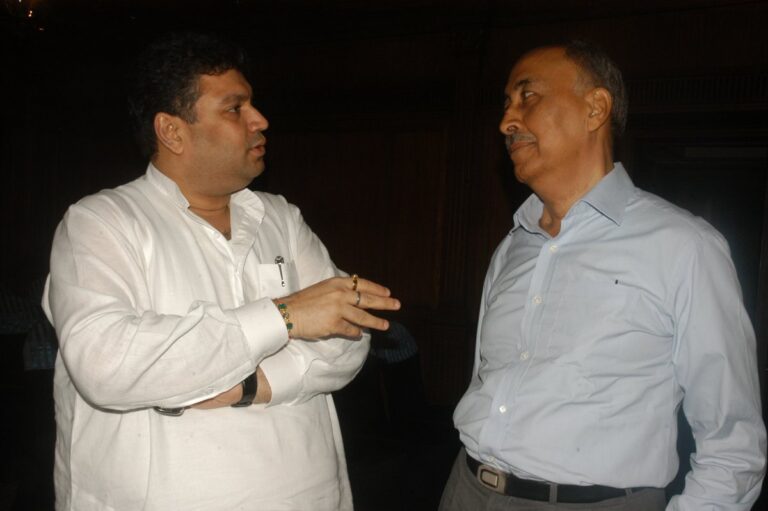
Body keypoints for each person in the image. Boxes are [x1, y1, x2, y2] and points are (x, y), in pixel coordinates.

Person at [42, 31, 400, 511]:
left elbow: (349, 339)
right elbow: (108, 364)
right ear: (172, 131)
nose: (260, 120)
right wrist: (286, 318)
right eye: (235, 109)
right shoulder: (100, 222)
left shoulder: (281, 218)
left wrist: (252, 386)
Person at [440, 40, 766, 510]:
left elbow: (733, 443)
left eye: (527, 96)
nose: (506, 122)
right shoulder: (512, 247)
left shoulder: (684, 247)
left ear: (595, 108)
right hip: (465, 489)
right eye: (506, 104)